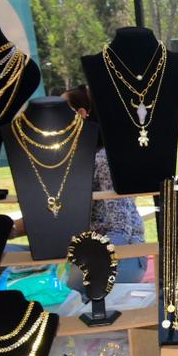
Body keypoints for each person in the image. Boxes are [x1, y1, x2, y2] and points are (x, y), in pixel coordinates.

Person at [60, 86, 148, 292]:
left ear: (81, 114)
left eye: (60, 109)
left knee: (67, 293)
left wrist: (86, 264)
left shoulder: (104, 158)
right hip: (99, 252)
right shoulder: (82, 157)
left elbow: (121, 229)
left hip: (123, 256)